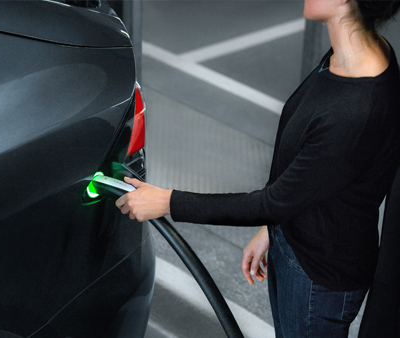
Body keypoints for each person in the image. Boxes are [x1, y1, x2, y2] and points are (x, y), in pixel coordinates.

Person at [115, 1, 400, 337]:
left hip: (317, 278)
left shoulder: (357, 108)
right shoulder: (349, 57)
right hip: (299, 244)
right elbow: (313, 179)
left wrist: (166, 201)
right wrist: (273, 230)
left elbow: (277, 200)